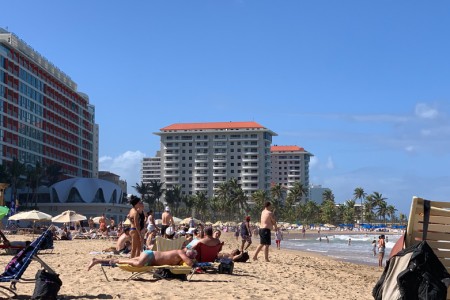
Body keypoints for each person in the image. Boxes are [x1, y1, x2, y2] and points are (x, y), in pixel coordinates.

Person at [88, 248, 197, 271]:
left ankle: (96, 260)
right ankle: (118, 261)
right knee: (139, 264)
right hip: (150, 255)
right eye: (190, 255)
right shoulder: (181, 252)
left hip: (150, 260)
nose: (189, 257)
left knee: (136, 262)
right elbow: (189, 263)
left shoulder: (181, 256)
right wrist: (192, 260)